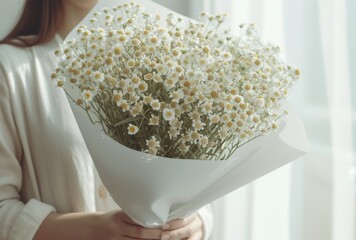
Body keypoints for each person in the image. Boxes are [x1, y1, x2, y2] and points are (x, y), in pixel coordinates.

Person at [0, 0, 213, 239]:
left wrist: (197, 221)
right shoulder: (9, 68)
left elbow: (190, 179)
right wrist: (94, 229)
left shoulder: (156, 60)